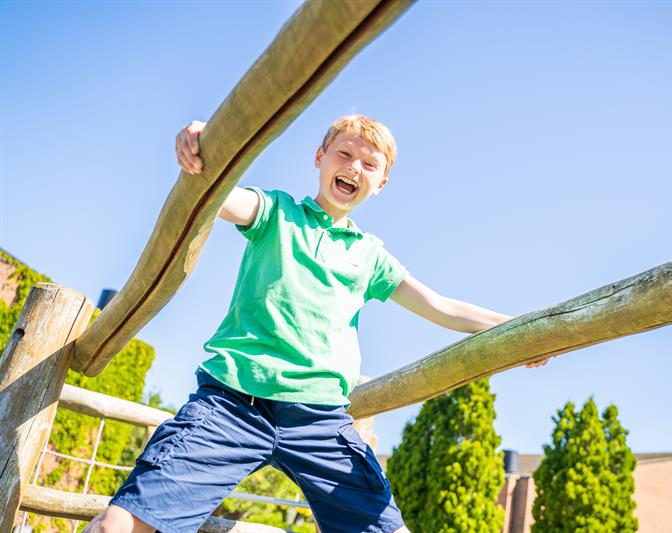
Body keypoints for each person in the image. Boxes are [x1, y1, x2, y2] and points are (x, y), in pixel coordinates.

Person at [85, 115, 545, 533]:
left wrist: (525, 328)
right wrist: (207, 147)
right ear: (320, 158)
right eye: (344, 154)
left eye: (369, 164)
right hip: (233, 404)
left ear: (381, 183)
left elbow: (441, 307)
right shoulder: (277, 213)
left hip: (319, 421)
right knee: (118, 527)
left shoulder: (370, 256)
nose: (353, 167)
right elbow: (222, 197)